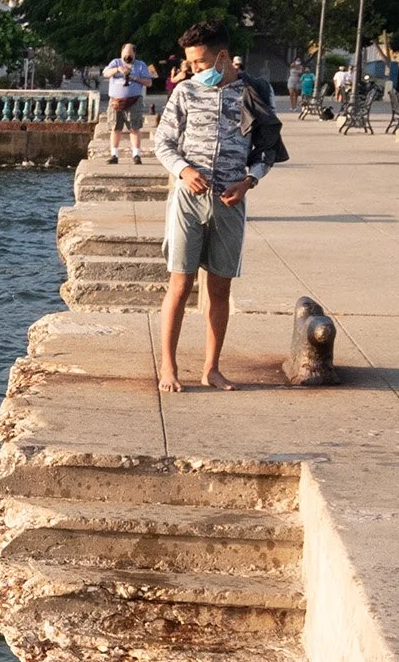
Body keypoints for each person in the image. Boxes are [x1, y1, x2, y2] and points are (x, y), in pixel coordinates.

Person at [152, 19, 284, 393]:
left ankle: (212, 368)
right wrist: (183, 170)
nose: (194, 71)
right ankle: (169, 367)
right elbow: (163, 142)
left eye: (199, 63)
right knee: (180, 284)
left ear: (222, 57)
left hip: (230, 200)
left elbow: (267, 150)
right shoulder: (185, 93)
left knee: (220, 288)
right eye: (191, 64)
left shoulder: (253, 93)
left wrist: (249, 180)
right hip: (188, 200)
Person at [102, 44, 154, 165]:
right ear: (121, 54)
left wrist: (134, 78)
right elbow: (105, 73)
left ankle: (136, 155)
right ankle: (114, 155)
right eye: (125, 55)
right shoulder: (115, 62)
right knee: (115, 128)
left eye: (129, 55)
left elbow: (149, 82)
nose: (127, 57)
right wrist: (118, 69)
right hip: (116, 101)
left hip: (134, 100)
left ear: (134, 54)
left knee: (134, 128)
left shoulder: (140, 65)